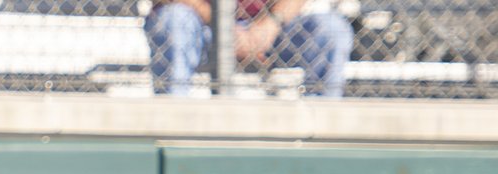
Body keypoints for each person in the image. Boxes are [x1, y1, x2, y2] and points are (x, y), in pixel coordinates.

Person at [144, 0, 354, 97]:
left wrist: (270, 24)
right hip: (202, 26)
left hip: (267, 30)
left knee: (332, 29)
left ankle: (320, 123)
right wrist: (224, 27)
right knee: (172, 19)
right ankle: (174, 126)